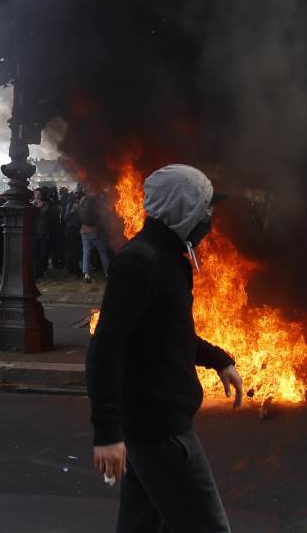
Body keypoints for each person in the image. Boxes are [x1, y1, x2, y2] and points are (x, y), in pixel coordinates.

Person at [87, 164, 242, 533]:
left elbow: (167, 334)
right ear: (183, 207)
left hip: (153, 428)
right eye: (205, 207)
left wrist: (218, 359)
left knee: (142, 526)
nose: (209, 217)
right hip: (160, 430)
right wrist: (107, 433)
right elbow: (105, 349)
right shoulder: (142, 260)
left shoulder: (170, 257)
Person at [79, 189, 111, 283]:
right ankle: (107, 273)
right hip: (95, 231)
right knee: (102, 252)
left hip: (83, 230)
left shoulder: (82, 199)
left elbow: (79, 212)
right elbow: (102, 216)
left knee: (86, 253)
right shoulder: (97, 201)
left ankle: (86, 274)